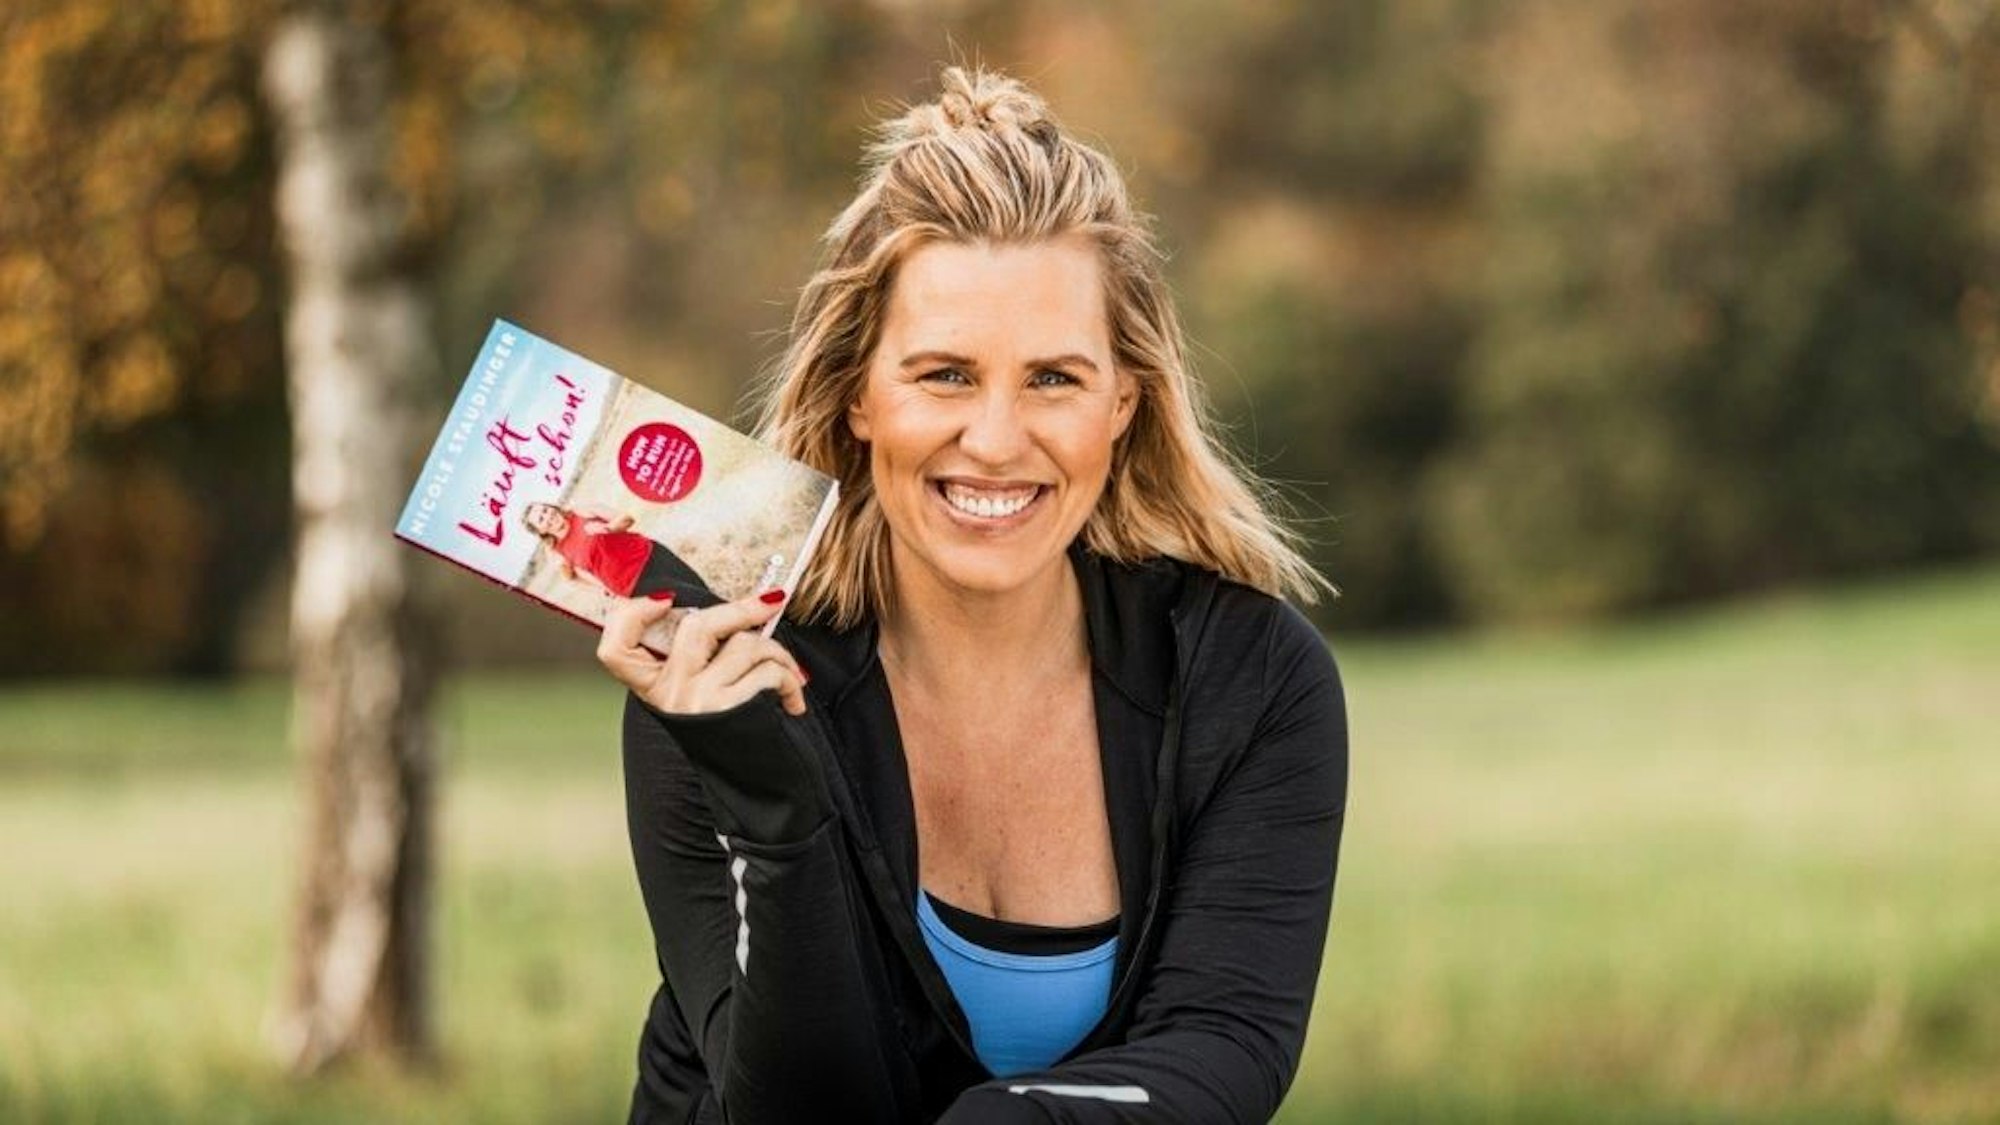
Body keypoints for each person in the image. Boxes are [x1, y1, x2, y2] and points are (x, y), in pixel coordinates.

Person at [595, 66, 1347, 1124]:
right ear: (858, 396)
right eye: (943, 375)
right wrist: (772, 803)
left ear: (1122, 403)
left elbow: (1222, 1049)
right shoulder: (710, 678)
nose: (994, 442)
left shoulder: (1247, 678)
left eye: (1053, 379)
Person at [522, 501, 720, 608]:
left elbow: (627, 518)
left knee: (699, 587)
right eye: (541, 518)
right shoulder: (555, 553)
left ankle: (730, 626)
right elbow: (572, 579)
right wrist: (603, 591)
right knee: (697, 597)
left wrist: (607, 528)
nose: (548, 516)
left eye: (546, 510)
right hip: (632, 584)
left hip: (650, 553)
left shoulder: (581, 510)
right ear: (540, 531)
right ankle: (748, 623)